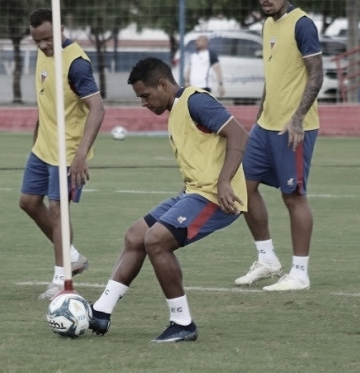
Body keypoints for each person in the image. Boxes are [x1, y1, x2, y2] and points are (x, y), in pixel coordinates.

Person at [88, 57, 249, 343]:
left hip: (217, 197)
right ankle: (101, 311)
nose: (144, 104)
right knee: (136, 235)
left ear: (163, 84)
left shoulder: (195, 101)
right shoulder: (174, 111)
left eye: (146, 96)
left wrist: (225, 181)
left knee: (156, 240)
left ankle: (182, 322)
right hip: (195, 193)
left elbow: (239, 134)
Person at [233, 0, 323, 291]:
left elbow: (316, 74)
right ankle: (267, 259)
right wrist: (260, 114)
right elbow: (273, 76)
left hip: (293, 129)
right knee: (242, 186)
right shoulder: (268, 24)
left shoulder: (303, 24)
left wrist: (297, 118)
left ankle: (299, 274)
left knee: (293, 196)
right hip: (266, 125)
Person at [19, 8, 105, 299]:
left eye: (47, 39)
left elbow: (98, 108)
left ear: (61, 29)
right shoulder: (43, 53)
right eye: (37, 41)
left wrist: (81, 155)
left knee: (58, 211)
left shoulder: (77, 64)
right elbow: (47, 101)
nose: (43, 45)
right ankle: (72, 256)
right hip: (43, 146)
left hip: (67, 151)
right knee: (28, 202)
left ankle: (62, 279)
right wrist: (36, 137)